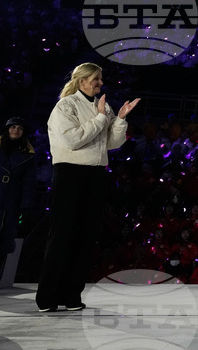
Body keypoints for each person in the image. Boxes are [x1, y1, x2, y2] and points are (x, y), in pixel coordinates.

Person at [36, 63, 140, 313]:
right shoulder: (66, 105)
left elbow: (112, 144)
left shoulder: (102, 106)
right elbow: (72, 139)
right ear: (82, 80)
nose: (100, 83)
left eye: (100, 79)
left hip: (95, 173)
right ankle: (47, 297)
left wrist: (120, 119)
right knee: (62, 235)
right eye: (96, 79)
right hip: (70, 173)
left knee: (85, 236)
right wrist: (102, 118)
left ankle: (71, 295)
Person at [1, 117, 36, 276]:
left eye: (19, 128)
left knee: (5, 239)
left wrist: (25, 206)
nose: (16, 130)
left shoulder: (28, 154)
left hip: (11, 199)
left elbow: (29, 182)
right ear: (7, 129)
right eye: (13, 127)